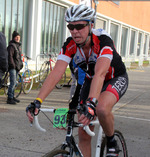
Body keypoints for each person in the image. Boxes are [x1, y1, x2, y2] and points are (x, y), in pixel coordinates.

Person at [26, 4, 128, 157]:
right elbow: (56, 73)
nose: (74, 31)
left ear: (90, 25)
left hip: (114, 78)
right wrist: (38, 100)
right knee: (83, 132)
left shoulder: (103, 40)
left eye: (79, 26)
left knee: (100, 108)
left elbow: (100, 74)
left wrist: (92, 103)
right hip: (90, 81)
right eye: (71, 27)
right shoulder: (70, 45)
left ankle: (112, 141)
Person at [7, 31, 23, 104]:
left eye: (19, 37)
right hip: (13, 67)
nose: (18, 38)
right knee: (12, 83)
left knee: (14, 83)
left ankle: (12, 96)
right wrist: (13, 65)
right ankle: (9, 98)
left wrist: (19, 66)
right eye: (16, 37)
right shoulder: (12, 46)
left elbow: (18, 57)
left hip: (16, 67)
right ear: (13, 38)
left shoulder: (17, 46)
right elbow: (9, 56)